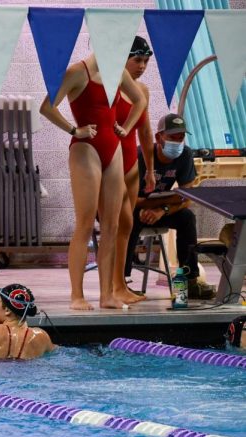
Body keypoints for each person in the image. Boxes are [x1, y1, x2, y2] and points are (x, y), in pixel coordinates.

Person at [40, 51, 146, 311]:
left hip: (114, 149)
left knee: (111, 224)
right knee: (85, 223)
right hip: (85, 149)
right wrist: (74, 130)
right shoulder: (77, 72)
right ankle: (77, 295)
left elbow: (140, 100)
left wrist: (127, 126)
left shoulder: (117, 73)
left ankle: (106, 295)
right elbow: (46, 106)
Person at [123, 113, 216, 300]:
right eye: (173, 137)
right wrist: (169, 200)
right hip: (129, 208)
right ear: (158, 137)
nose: (178, 142)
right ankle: (122, 281)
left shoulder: (185, 155)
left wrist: (161, 210)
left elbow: (187, 198)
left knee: (187, 218)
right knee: (130, 217)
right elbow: (129, 200)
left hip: (158, 210)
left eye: (181, 138)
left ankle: (190, 281)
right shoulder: (140, 156)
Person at [112, 37, 156, 305]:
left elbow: (146, 132)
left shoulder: (143, 91)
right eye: (137, 60)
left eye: (146, 61)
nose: (142, 66)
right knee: (117, 224)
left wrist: (150, 169)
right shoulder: (110, 88)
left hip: (131, 163)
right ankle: (113, 287)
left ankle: (120, 284)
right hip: (111, 162)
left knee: (127, 224)